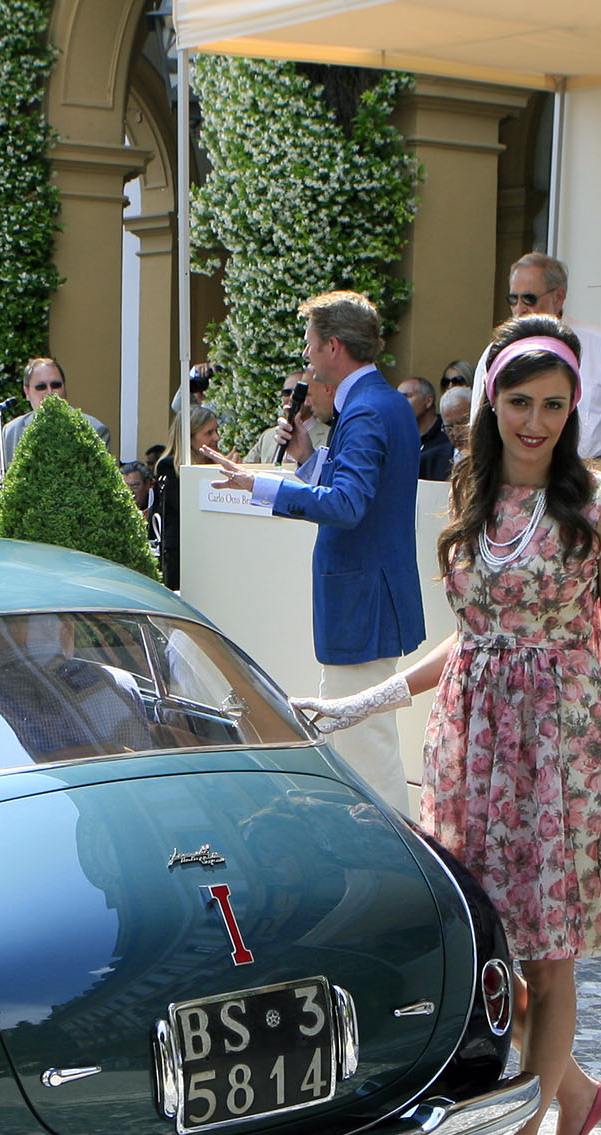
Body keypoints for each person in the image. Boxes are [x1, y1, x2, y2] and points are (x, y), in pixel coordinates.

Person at [289, 316, 601, 1135]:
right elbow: (474, 637)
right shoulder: (473, 494)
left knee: (550, 958)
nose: (537, 422)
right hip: (474, 746)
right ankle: (575, 1092)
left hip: (561, 751)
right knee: (488, 945)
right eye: (520, 402)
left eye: (555, 405)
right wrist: (367, 700)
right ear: (492, 404)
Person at [205, 289, 427, 812]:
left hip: (361, 604)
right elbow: (363, 494)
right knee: (365, 740)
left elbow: (348, 505)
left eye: (309, 343)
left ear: (332, 346)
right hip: (372, 599)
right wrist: (306, 458)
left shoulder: (366, 409)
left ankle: (388, 850)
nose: (305, 354)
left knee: (364, 747)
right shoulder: (385, 403)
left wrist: (260, 484)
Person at [506, 252, 601, 473]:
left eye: (529, 299)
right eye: (513, 299)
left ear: (558, 297)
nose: (519, 309)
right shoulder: (498, 352)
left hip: (587, 477)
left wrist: (598, 475)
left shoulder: (599, 345)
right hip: (516, 478)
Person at [0, 357, 112, 483]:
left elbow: (102, 483)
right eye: (41, 387)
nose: (50, 392)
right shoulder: (11, 432)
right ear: (27, 392)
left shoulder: (95, 430)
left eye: (56, 385)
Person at [248, 371, 331, 464]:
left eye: (298, 392)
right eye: (287, 392)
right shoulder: (268, 436)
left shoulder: (330, 437)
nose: (292, 398)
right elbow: (245, 468)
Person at [397, 376, 454, 481]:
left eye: (406, 396)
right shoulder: (398, 438)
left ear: (428, 401)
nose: (399, 403)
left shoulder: (448, 435)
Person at [439, 386, 472, 465]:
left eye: (461, 424)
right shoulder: (430, 462)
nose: (456, 433)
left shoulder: (496, 456)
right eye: (449, 428)